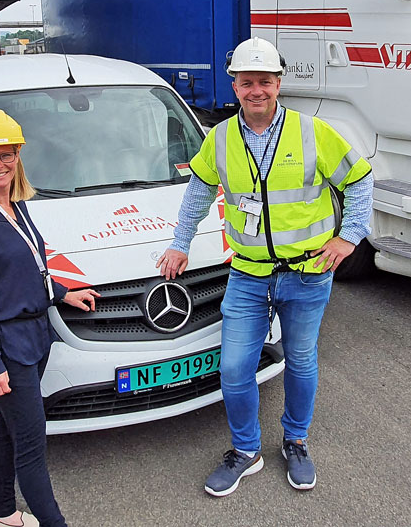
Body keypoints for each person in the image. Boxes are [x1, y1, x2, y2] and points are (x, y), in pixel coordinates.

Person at [155, 37, 373, 496]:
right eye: (247, 82)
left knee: (300, 360)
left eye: (266, 82)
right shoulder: (219, 139)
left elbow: (359, 179)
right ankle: (246, 450)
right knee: (234, 368)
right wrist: (180, 244)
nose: (257, 90)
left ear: (279, 83)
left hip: (308, 274)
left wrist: (348, 238)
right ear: (235, 86)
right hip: (249, 275)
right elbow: (197, 193)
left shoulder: (312, 132)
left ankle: (296, 441)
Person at [0, 108, 101, 527]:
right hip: (7, 348)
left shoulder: (14, 205)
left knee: (8, 431)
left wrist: (64, 293)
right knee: (31, 446)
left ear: (18, 155)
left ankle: (3, 516)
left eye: (6, 155)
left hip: (35, 337)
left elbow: (30, 271)